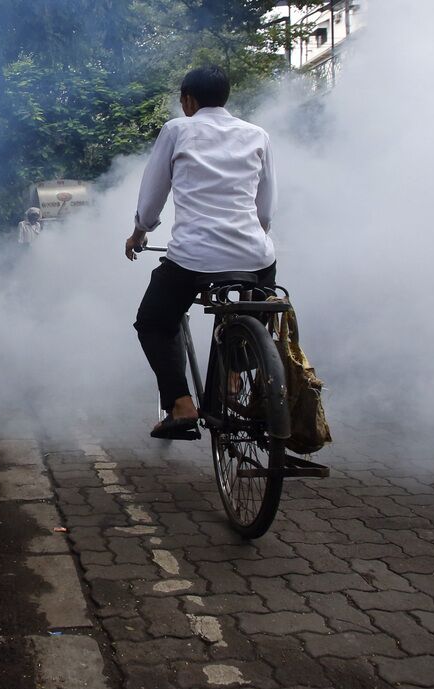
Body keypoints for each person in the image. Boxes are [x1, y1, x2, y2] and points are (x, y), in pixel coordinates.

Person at [125, 65, 277, 440]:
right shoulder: (257, 135)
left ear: (188, 100)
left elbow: (151, 200)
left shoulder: (178, 130)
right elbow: (265, 212)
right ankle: (232, 378)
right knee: (254, 307)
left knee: (154, 322)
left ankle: (181, 405)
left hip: (193, 259)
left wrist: (138, 233)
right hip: (255, 257)